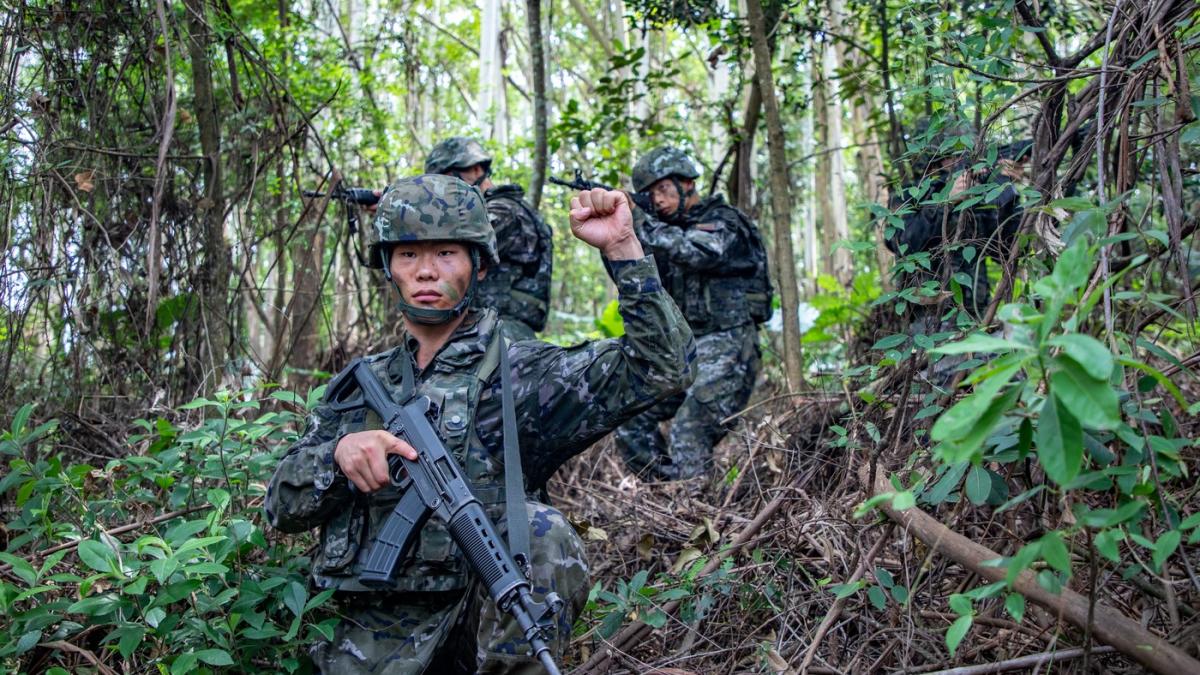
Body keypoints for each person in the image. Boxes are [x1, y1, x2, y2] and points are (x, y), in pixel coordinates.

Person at [265, 174, 694, 673]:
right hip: (366, 641)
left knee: (541, 533)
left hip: (479, 632)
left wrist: (623, 248)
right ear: (388, 266)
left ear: (479, 265)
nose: (426, 271)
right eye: (408, 255)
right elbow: (280, 506)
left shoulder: (522, 374)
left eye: (446, 253)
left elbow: (664, 368)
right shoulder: (361, 385)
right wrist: (337, 457)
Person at [613, 146, 773, 481]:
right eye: (649, 194)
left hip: (730, 346)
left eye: (663, 189)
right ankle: (668, 495)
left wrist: (638, 220)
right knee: (630, 417)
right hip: (684, 349)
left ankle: (699, 509)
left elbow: (698, 250)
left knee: (690, 428)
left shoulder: (727, 223)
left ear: (687, 184)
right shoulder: (664, 231)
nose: (657, 200)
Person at [884, 119, 1026, 381]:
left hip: (977, 320)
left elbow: (1007, 250)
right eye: (952, 157)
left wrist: (1006, 192)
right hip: (928, 328)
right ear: (933, 162)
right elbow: (901, 242)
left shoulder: (978, 196)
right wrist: (946, 202)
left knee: (1021, 354)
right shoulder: (909, 197)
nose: (959, 162)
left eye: (965, 155)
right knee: (958, 375)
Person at [425, 137, 554, 341]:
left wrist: (403, 215)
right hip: (483, 329)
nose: (443, 189)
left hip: (504, 333)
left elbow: (454, 242)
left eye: (449, 178)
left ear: (476, 169)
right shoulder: (485, 210)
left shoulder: (505, 211)